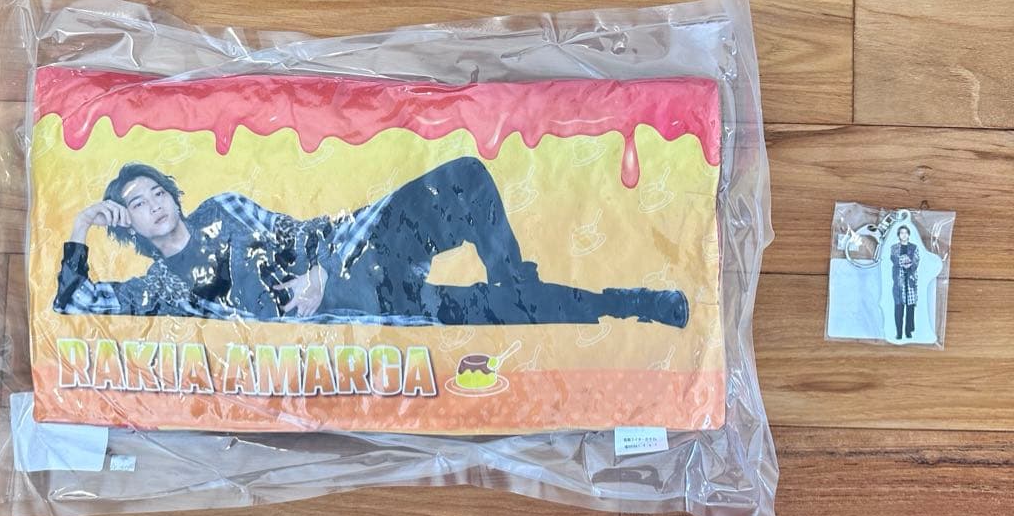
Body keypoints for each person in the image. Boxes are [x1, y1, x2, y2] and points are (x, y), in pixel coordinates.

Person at [54, 157, 690, 328]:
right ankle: (630, 304)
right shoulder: (161, 287)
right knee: (493, 309)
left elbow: (294, 232)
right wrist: (82, 225)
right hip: (344, 306)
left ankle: (519, 279)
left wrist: (321, 268)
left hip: (353, 255)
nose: (153, 204)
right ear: (128, 224)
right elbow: (76, 303)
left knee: (465, 177)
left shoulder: (225, 208)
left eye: (156, 191)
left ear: (172, 193)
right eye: (136, 204)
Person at [890, 225, 920, 340]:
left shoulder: (914, 247)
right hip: (899, 280)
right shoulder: (894, 248)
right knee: (899, 306)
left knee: (910, 307)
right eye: (901, 233)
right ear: (898, 235)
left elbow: (916, 261)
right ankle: (899, 332)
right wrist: (905, 260)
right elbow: (894, 260)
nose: (904, 235)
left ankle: (908, 331)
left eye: (906, 232)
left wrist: (908, 264)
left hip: (911, 280)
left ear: (909, 234)